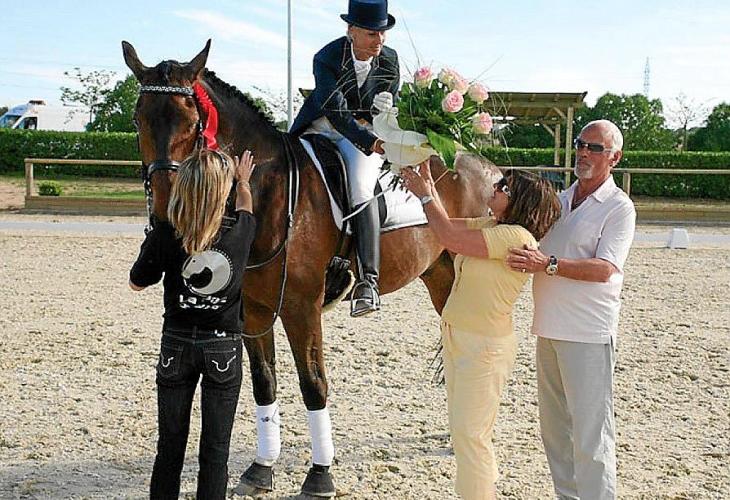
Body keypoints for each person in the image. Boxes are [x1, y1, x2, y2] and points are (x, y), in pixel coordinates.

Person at [400, 161, 561, 500]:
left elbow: (449, 237)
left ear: (520, 202)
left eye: (504, 187)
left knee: (471, 437)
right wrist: (428, 188)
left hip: (483, 348)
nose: (496, 188)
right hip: (461, 338)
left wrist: (426, 195)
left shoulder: (515, 236)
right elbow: (442, 225)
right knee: (466, 435)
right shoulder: (492, 224)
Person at [506, 119, 636, 499]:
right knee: (555, 432)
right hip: (547, 328)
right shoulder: (559, 201)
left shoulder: (619, 208)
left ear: (614, 157)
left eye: (594, 147)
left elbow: (606, 269)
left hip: (587, 334)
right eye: (580, 144)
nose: (583, 152)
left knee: (591, 435)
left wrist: (548, 264)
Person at [129, 149, 257, 500]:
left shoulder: (167, 232)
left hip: (176, 344)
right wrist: (243, 182)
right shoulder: (241, 228)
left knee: (169, 446)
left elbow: (136, 282)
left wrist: (152, 242)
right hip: (223, 346)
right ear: (223, 190)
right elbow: (245, 206)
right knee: (215, 451)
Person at [289, 0, 400, 317]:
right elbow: (335, 110)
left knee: (361, 187)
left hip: (365, 134)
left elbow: (392, 103)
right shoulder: (326, 57)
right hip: (323, 127)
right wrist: (370, 141)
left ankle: (368, 282)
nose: (379, 40)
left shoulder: (390, 59)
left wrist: (384, 110)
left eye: (382, 33)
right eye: (371, 33)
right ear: (351, 30)